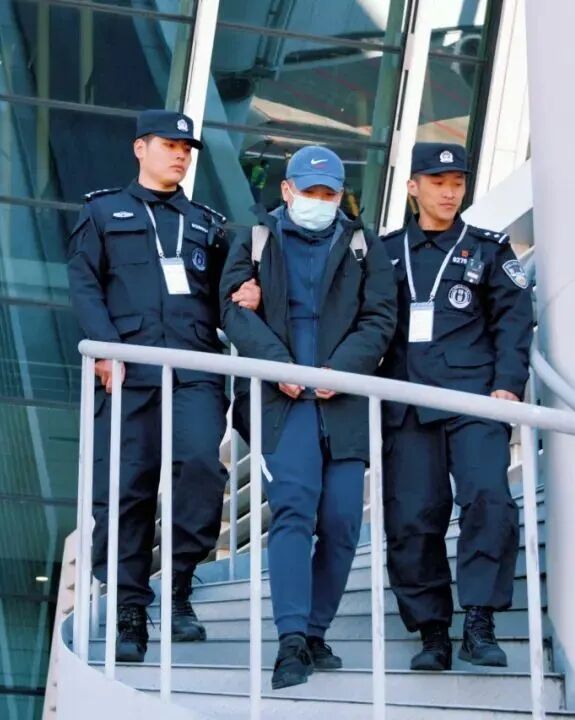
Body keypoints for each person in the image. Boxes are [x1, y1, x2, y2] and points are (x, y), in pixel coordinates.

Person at [66, 109, 259, 662]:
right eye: (169, 145)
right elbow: (84, 282)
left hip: (195, 369)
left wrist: (249, 291)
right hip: (129, 370)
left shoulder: (206, 223)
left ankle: (176, 586)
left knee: (200, 468)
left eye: (186, 149)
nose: (179, 155)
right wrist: (105, 348)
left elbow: (229, 289)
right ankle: (129, 606)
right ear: (140, 148)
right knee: (127, 487)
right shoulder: (102, 212)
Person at [219, 146, 396, 689]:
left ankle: (316, 631)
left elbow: (380, 318)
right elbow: (230, 310)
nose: (319, 201)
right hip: (283, 405)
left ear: (341, 196)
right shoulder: (256, 239)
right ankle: (292, 639)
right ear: (287, 190)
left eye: (329, 193)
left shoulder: (364, 246)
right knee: (294, 511)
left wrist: (340, 370)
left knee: (342, 522)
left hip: (343, 403)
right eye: (310, 191)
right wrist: (278, 367)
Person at [378, 143, 533, 671]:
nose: (449, 193)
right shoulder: (384, 252)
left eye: (458, 183)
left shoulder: (488, 249)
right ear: (412, 187)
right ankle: (432, 632)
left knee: (489, 500)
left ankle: (480, 622)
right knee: (412, 518)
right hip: (407, 404)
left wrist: (508, 385)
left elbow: (514, 320)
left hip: (474, 400)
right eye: (438, 182)